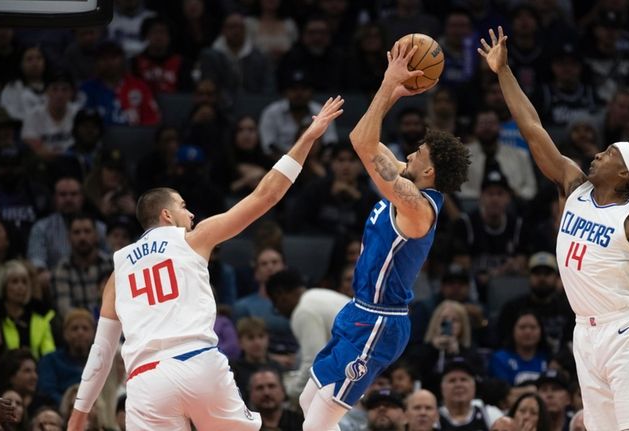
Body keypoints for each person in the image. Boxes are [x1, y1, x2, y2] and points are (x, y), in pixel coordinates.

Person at [66, 96, 344, 431]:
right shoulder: (193, 238)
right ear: (167, 214)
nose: (192, 213)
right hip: (197, 363)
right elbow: (266, 195)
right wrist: (308, 137)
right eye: (184, 206)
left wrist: (79, 414)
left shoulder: (118, 270)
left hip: (145, 381)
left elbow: (102, 351)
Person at [478, 27, 629, 430]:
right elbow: (533, 128)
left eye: (608, 153)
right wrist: (504, 72)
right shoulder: (573, 185)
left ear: (624, 173)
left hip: (623, 331)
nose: (598, 153)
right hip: (584, 332)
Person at [299, 42, 470, 431]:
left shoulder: (416, 205)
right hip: (358, 310)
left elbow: (362, 145)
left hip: (381, 321)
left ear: (430, 173)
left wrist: (388, 82)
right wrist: (391, 92)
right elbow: (362, 137)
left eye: (419, 153)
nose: (410, 153)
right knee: (306, 401)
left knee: (317, 425)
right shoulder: (407, 180)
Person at [264, 269, 350, 401]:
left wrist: (288, 393)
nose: (279, 312)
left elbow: (315, 363)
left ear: (280, 295)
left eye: (275, 305)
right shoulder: (317, 295)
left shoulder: (303, 311)